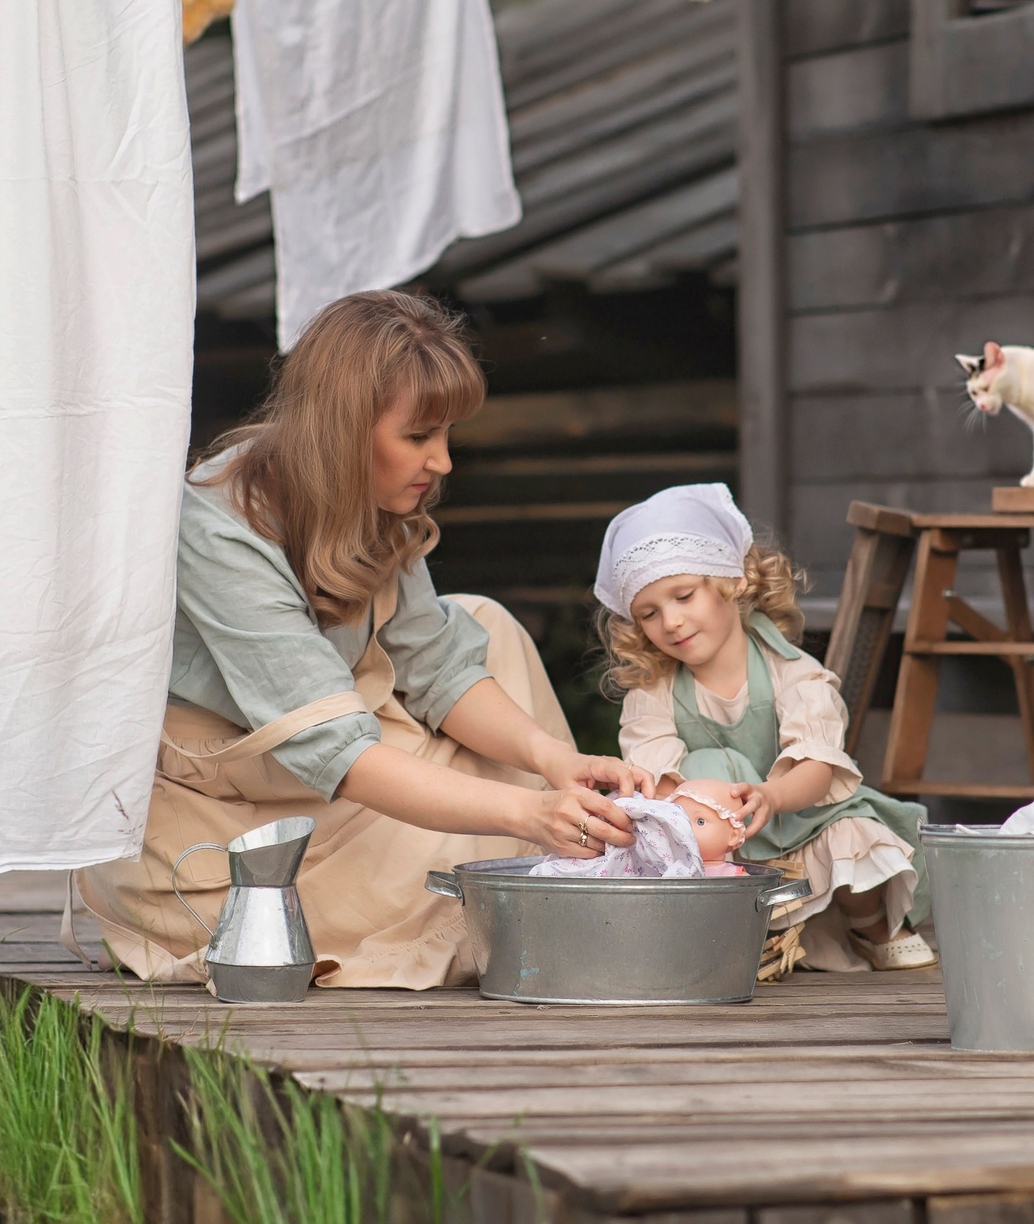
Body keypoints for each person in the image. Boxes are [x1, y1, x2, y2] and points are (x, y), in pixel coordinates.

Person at [73, 291, 653, 989]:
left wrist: (558, 761)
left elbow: (438, 668)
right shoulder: (218, 525)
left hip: (320, 776)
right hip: (226, 825)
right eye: (419, 436)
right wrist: (526, 807)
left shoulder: (372, 502)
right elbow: (336, 751)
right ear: (345, 428)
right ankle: (512, 876)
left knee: (487, 628)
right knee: (492, 825)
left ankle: (523, 865)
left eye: (446, 436)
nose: (440, 461)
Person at [596, 484, 936, 973]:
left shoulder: (792, 673)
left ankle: (870, 928)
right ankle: (742, 930)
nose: (670, 621)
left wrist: (772, 797)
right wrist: (707, 820)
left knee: (854, 834)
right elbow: (658, 781)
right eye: (649, 613)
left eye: (684, 596)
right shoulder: (652, 693)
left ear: (732, 581)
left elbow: (817, 764)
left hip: (796, 817)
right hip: (709, 836)